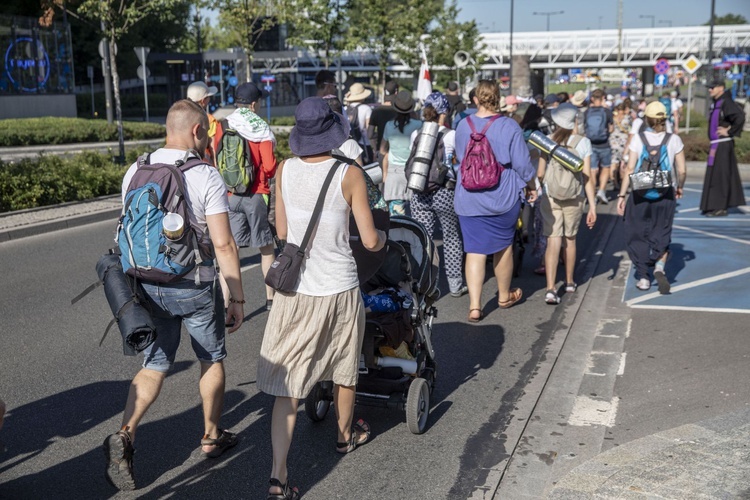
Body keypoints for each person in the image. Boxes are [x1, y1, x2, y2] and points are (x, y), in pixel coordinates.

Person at [104, 100, 244, 491]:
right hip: (193, 286)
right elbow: (224, 243)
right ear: (198, 131)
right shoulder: (205, 175)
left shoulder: (136, 168)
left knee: (155, 363)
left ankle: (126, 434)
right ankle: (212, 436)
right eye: (208, 133)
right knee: (210, 358)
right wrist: (237, 297)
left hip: (146, 285)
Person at [257, 97, 386, 500]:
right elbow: (367, 239)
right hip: (338, 287)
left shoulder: (284, 170)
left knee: (288, 386)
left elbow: (282, 230)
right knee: (344, 367)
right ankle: (345, 437)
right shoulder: (349, 174)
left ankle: (278, 475)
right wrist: (382, 239)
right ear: (332, 132)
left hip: (296, 291)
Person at [453, 80, 538, 322]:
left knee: (474, 250)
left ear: (476, 99)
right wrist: (531, 186)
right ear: (498, 98)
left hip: (468, 198)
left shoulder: (462, 126)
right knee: (503, 247)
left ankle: (475, 306)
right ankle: (503, 295)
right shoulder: (509, 126)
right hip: (502, 197)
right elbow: (522, 164)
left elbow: (461, 158)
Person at [214, 82, 278, 311]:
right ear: (253, 104)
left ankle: (224, 301)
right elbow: (269, 167)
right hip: (257, 194)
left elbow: (217, 158)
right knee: (267, 249)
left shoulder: (224, 124)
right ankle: (270, 299)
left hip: (230, 194)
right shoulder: (260, 128)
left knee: (230, 249)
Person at [617, 101, 687, 294]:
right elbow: (681, 170)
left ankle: (643, 278)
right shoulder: (674, 140)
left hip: (639, 192)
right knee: (661, 231)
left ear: (646, 119)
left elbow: (630, 168)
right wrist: (679, 186)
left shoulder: (638, 139)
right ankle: (659, 266)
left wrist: (622, 195)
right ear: (665, 118)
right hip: (665, 191)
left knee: (637, 233)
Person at [536, 103, 597, 304]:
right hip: (575, 197)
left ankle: (551, 289)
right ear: (573, 122)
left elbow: (540, 173)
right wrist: (592, 206)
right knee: (569, 240)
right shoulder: (583, 143)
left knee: (553, 240)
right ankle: (569, 281)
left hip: (551, 196)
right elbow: (587, 177)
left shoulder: (547, 141)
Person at [409, 91, 468, 297]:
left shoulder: (417, 134)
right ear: (444, 112)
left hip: (419, 192)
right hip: (444, 191)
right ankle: (455, 285)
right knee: (451, 237)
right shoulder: (451, 135)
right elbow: (458, 165)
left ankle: (423, 284)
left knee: (423, 239)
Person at [700, 78, 746, 217]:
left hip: (723, 144)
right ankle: (710, 205)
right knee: (714, 175)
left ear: (721, 88)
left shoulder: (726, 102)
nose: (710, 90)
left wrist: (730, 131)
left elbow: (740, 117)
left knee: (721, 176)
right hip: (716, 144)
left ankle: (720, 207)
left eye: (712, 87)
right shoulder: (717, 103)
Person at [381, 90, 422, 215]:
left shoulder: (389, 125)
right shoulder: (419, 124)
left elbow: (382, 149)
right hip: (414, 172)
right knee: (416, 216)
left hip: (394, 173)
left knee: (397, 219)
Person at [583, 88, 614, 204]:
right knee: (605, 167)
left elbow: (584, 128)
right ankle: (601, 191)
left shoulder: (587, 112)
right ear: (603, 98)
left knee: (592, 170)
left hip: (591, 144)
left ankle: (592, 193)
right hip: (604, 144)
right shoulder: (607, 112)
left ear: (592, 98)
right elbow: (611, 128)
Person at [187, 81, 219, 165]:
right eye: (208, 97)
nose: (209, 99)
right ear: (203, 100)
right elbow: (213, 148)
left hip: (183, 162)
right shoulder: (210, 120)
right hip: (204, 163)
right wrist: (216, 166)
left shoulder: (181, 117)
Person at [368, 80, 399, 159]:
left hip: (381, 151)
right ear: (396, 92)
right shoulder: (400, 111)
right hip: (397, 151)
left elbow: (370, 134)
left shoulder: (376, 111)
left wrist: (376, 147)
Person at [345, 83, 374, 163]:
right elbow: (369, 130)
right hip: (364, 145)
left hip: (349, 145)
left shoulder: (345, 109)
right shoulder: (366, 109)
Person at [610, 102, 632, 189]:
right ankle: (624, 183)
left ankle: (614, 182)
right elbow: (631, 131)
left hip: (613, 142)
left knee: (614, 162)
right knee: (624, 163)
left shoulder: (613, 118)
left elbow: (610, 129)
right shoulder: (627, 118)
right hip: (624, 143)